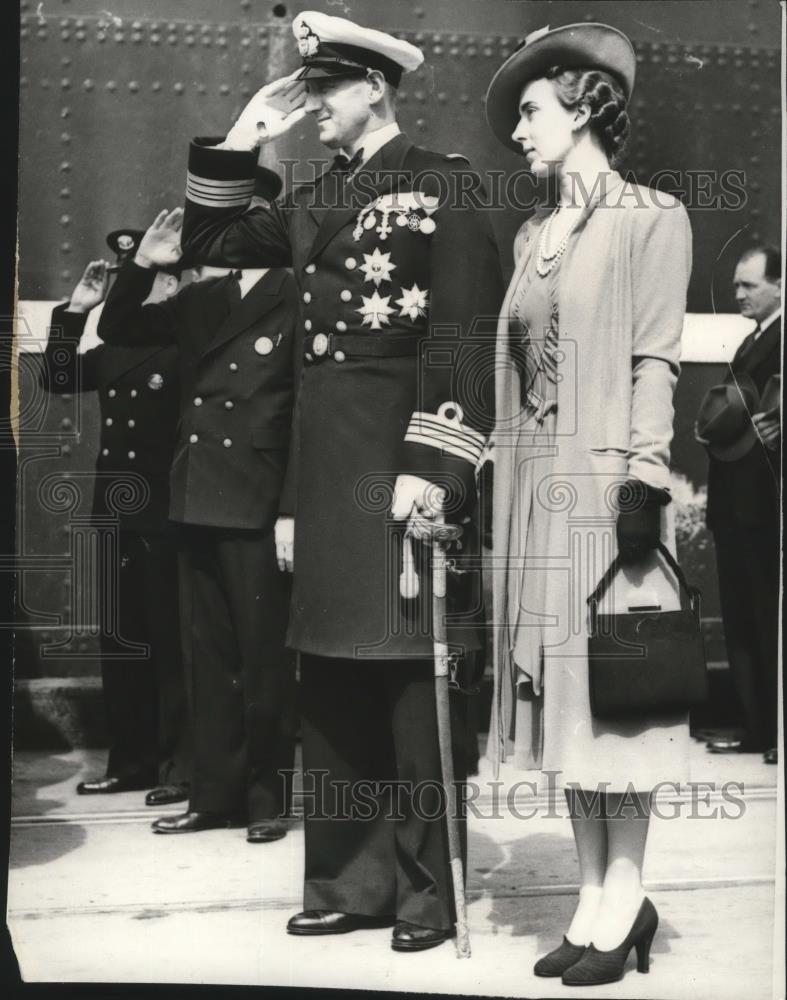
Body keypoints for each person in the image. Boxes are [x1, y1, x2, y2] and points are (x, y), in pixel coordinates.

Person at [180, 9, 503, 950]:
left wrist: (436, 465)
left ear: (375, 88)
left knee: (408, 681)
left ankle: (421, 893)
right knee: (328, 678)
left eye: (323, 89)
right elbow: (210, 245)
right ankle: (345, 882)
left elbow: (462, 331)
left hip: (398, 469)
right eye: (305, 89)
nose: (310, 104)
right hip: (324, 479)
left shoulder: (443, 183)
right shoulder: (314, 194)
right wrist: (247, 133)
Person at [485, 23, 692, 986]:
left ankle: (627, 894)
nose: (518, 131)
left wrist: (645, 478)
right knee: (559, 708)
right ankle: (591, 894)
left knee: (611, 702)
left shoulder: (653, 216)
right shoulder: (532, 236)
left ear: (583, 106)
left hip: (603, 489)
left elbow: (654, 356)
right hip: (533, 490)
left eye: (530, 112)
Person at [98, 173, 300, 844]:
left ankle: (267, 796)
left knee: (263, 660)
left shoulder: (296, 294)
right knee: (205, 657)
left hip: (256, 498)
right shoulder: (203, 298)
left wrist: (291, 508)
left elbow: (306, 413)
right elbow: (121, 325)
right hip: (196, 495)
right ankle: (214, 795)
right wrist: (141, 266)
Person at [39, 233, 190, 798]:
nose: (128, 288)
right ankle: (130, 763)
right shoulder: (117, 350)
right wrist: (75, 313)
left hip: (164, 512)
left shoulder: (182, 342)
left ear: (170, 283)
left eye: (141, 276)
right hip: (117, 512)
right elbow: (58, 378)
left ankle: (176, 767)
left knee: (167, 643)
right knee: (122, 641)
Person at [697, 245, 781, 765]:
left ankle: (774, 731)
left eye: (749, 285)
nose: (738, 294)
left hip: (764, 508)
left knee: (766, 618)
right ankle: (757, 728)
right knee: (743, 618)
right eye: (736, 285)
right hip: (735, 506)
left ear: (779, 285)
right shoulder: (754, 339)